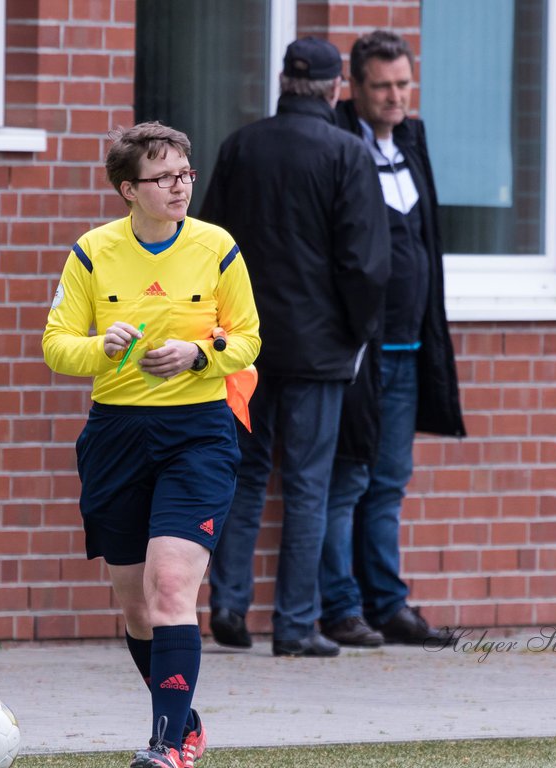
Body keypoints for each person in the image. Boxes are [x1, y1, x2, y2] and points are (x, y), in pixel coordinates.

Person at [42, 122, 260, 768]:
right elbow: (57, 345)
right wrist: (101, 346)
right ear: (127, 189)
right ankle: (185, 719)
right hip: (116, 435)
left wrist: (200, 354)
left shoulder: (217, 247)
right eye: (165, 177)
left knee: (172, 589)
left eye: (186, 173)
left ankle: (168, 748)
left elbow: (249, 338)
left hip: (197, 432)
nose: (181, 185)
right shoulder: (91, 253)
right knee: (136, 605)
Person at [199, 37, 390, 657]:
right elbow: (364, 265)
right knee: (308, 484)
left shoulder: (240, 147)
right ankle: (295, 625)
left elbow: (210, 247)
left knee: (246, 475)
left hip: (246, 346)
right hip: (320, 350)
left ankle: (229, 604)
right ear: (337, 89)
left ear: (284, 80)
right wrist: (358, 334)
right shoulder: (347, 153)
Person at [318, 30, 466, 648]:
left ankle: (388, 604)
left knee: (388, 481)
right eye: (383, 86)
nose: (396, 96)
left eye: (403, 83)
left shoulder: (412, 138)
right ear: (354, 86)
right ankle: (340, 606)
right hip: (357, 353)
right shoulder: (338, 144)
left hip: (410, 346)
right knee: (345, 480)